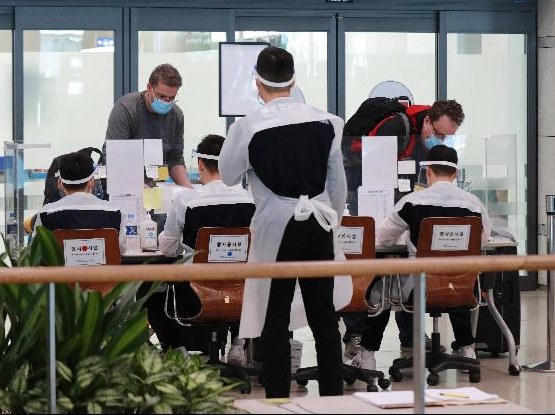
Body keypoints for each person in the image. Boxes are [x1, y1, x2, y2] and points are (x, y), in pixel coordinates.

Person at [219, 47, 351, 398]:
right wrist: (330, 222)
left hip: (276, 225)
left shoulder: (247, 126)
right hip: (319, 222)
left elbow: (229, 175)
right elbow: (338, 186)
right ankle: (333, 400)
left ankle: (278, 399)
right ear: (293, 81)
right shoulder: (328, 121)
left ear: (257, 84)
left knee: (273, 316)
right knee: (324, 315)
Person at [349, 145, 491, 371]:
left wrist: (410, 236)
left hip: (420, 289)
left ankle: (367, 355)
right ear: (455, 174)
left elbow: (383, 239)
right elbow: (482, 241)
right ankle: (467, 350)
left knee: (381, 288)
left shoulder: (412, 202)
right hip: (462, 288)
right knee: (454, 277)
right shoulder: (474, 203)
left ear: (428, 172)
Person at [342, 99, 465, 358]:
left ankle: (411, 337)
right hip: (368, 197)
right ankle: (355, 334)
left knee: (410, 262)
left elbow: (419, 178)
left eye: (448, 137)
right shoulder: (396, 126)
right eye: (440, 134)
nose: (441, 141)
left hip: (400, 203)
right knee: (369, 263)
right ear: (429, 121)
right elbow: (371, 170)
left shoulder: (426, 138)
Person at [145, 134, 255, 363]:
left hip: (193, 297)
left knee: (151, 288)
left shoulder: (187, 201)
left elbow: (168, 249)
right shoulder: (251, 200)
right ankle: (239, 344)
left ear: (200, 164)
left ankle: (178, 351)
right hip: (243, 297)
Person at [103, 63, 192, 188]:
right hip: (123, 186)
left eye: (171, 98)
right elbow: (114, 156)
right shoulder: (126, 108)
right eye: (161, 96)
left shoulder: (176, 115)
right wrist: (137, 186)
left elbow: (175, 159)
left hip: (156, 186)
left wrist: (190, 191)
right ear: (149, 88)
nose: (166, 102)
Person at [33, 151, 126, 253]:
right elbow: (120, 249)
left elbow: (37, 252)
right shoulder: (115, 212)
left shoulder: (45, 214)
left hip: (62, 269)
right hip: (102, 269)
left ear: (60, 183)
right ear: (92, 182)